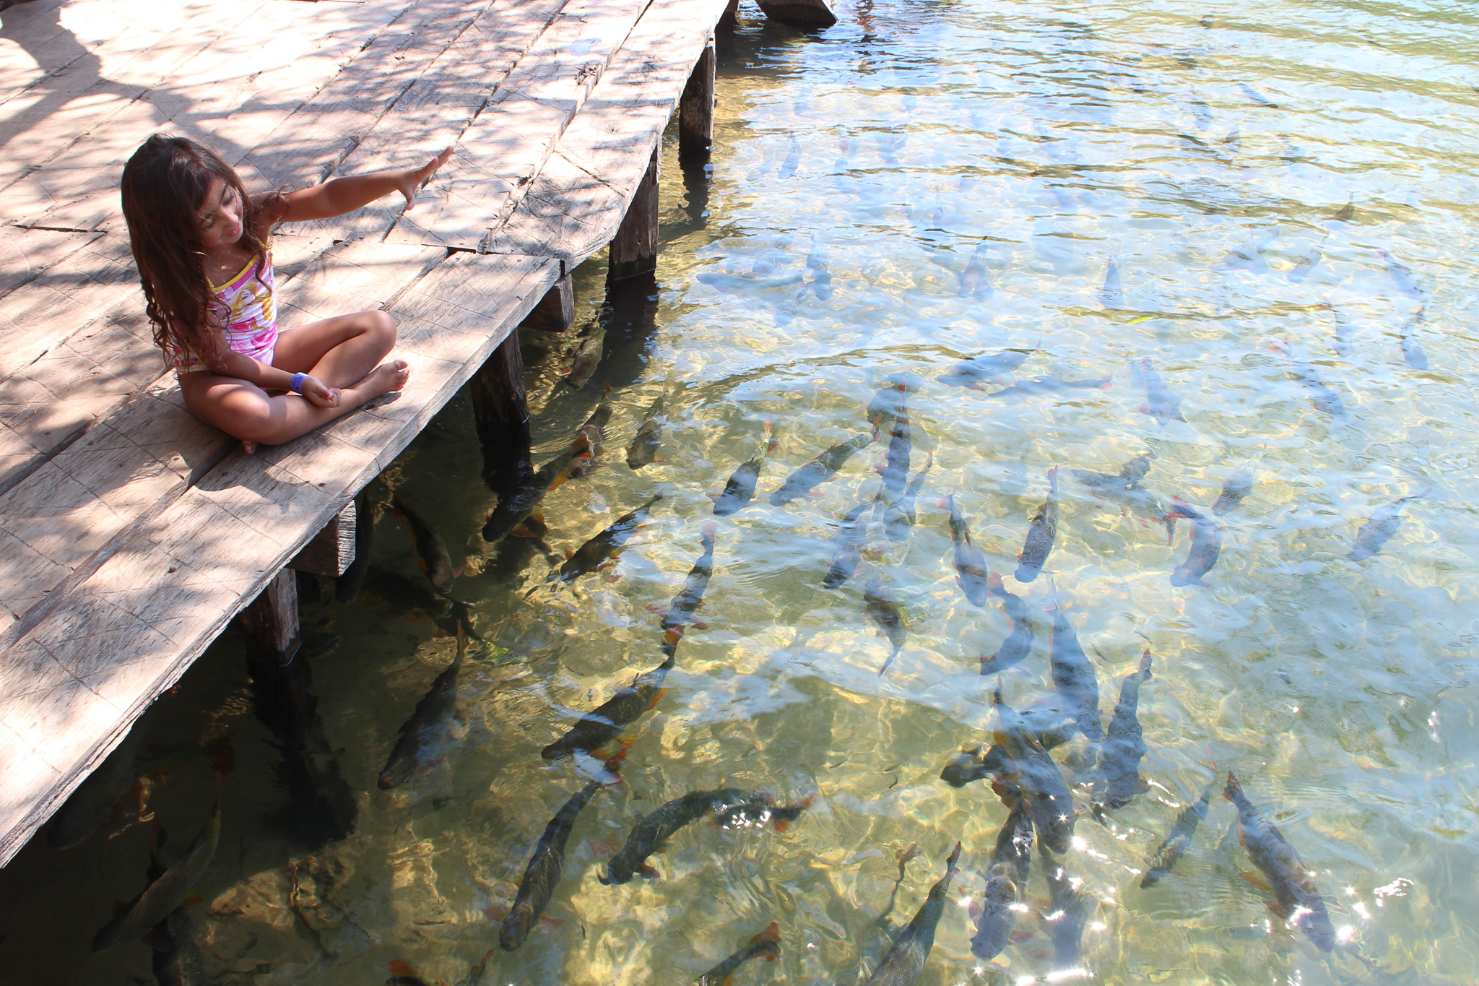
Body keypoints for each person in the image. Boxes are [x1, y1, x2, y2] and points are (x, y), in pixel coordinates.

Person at [119, 135, 453, 453]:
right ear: (174, 231)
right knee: (256, 416)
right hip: (216, 378)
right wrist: (296, 382)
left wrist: (392, 180)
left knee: (379, 326)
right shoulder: (185, 279)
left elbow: (328, 196)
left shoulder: (256, 215)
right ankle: (359, 393)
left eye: (227, 198)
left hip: (269, 351)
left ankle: (291, 415)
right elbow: (223, 360)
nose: (230, 219)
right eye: (208, 220)